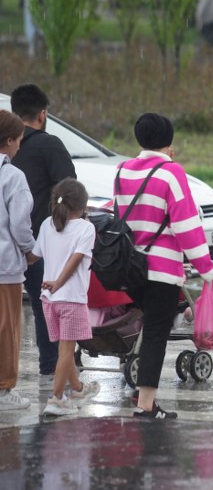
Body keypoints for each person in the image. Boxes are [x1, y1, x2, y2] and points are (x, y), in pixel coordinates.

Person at [116, 113, 213, 418]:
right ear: (169, 141)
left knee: (146, 329)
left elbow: (123, 219)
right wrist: (206, 268)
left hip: (131, 268)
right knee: (157, 334)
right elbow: (187, 226)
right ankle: (146, 405)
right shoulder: (171, 173)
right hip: (161, 270)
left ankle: (140, 394)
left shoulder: (122, 170)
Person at [10, 84, 77, 393]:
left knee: (8, 313)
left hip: (6, 245)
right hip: (40, 243)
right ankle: (50, 370)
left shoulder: (7, 148)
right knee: (45, 306)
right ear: (42, 114)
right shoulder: (50, 145)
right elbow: (69, 193)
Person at [31, 178, 100, 416]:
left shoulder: (47, 225)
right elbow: (75, 260)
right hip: (70, 298)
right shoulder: (86, 228)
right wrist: (59, 283)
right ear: (82, 206)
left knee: (64, 349)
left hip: (48, 299)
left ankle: (78, 389)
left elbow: (34, 256)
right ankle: (56, 399)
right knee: (66, 351)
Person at [0, 111, 35, 411]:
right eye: (19, 141)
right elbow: (20, 225)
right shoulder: (12, 176)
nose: (20, 147)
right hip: (5, 267)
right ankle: (3, 391)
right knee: (7, 328)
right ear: (9, 140)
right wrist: (31, 250)